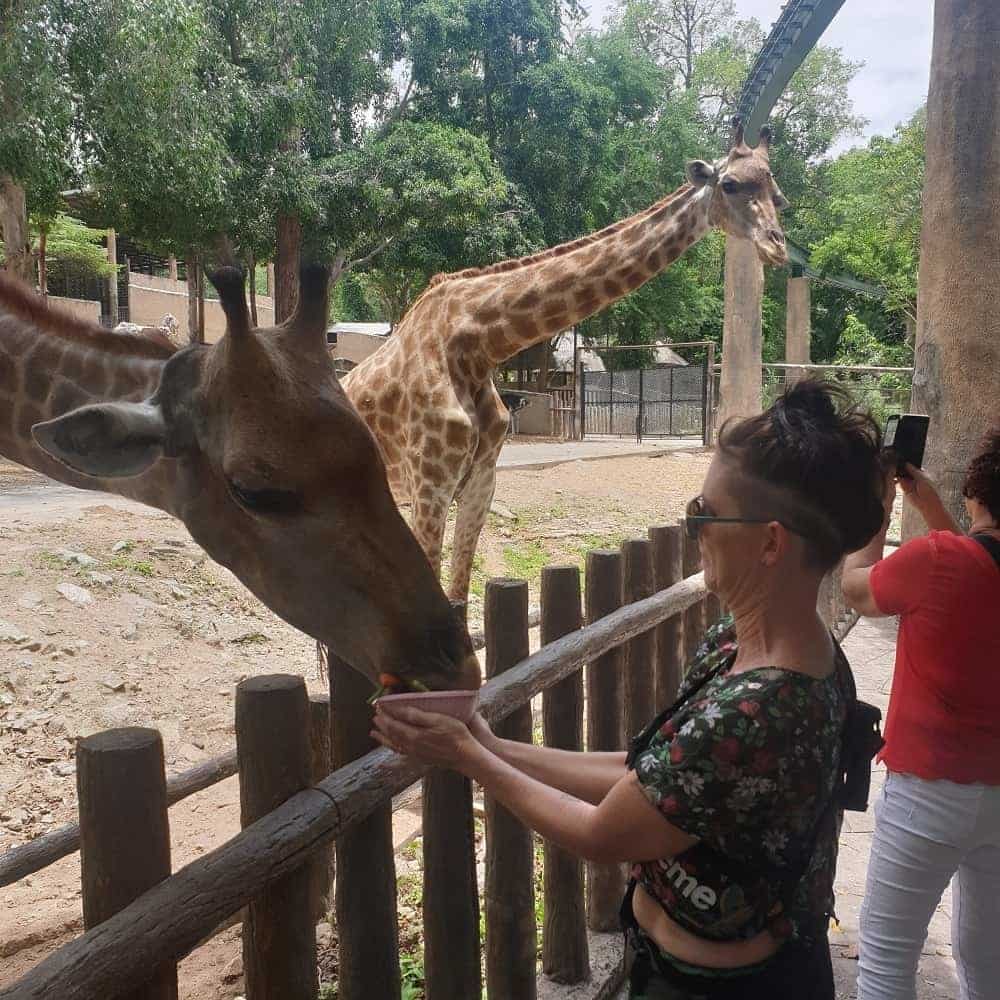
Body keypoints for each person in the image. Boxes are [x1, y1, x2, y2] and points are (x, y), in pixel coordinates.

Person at [375, 379, 887, 1000]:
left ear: (771, 542)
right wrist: (490, 743)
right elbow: (649, 778)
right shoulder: (752, 646)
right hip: (689, 966)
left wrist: (469, 758)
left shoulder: (757, 712)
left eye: (704, 512)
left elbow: (603, 834)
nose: (693, 527)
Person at [842, 430, 1000, 1000]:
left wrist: (878, 515)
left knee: (886, 963)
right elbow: (982, 571)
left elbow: (857, 589)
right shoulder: (958, 559)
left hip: (928, 794)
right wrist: (931, 509)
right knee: (988, 963)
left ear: (978, 492)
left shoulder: (937, 560)